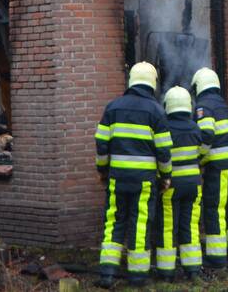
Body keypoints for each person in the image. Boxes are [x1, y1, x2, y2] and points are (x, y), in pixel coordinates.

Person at [94, 62, 172, 288]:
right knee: (139, 224)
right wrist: (166, 176)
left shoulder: (113, 107)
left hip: (117, 178)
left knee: (114, 221)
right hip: (144, 181)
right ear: (152, 83)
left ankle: (107, 273)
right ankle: (137, 276)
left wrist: (102, 170)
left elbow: (101, 144)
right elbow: (164, 151)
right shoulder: (156, 111)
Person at [191, 67, 228, 268]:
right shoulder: (222, 104)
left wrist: (200, 157)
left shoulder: (204, 106)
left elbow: (206, 135)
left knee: (214, 207)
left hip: (218, 165)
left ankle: (216, 257)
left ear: (199, 86)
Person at [155, 86, 204, 281]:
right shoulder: (195, 127)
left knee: (168, 227)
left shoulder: (165, 127)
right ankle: (192, 270)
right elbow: (201, 152)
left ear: (168, 105)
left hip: (171, 186)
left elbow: (161, 155)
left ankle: (166, 272)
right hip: (193, 185)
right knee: (190, 226)